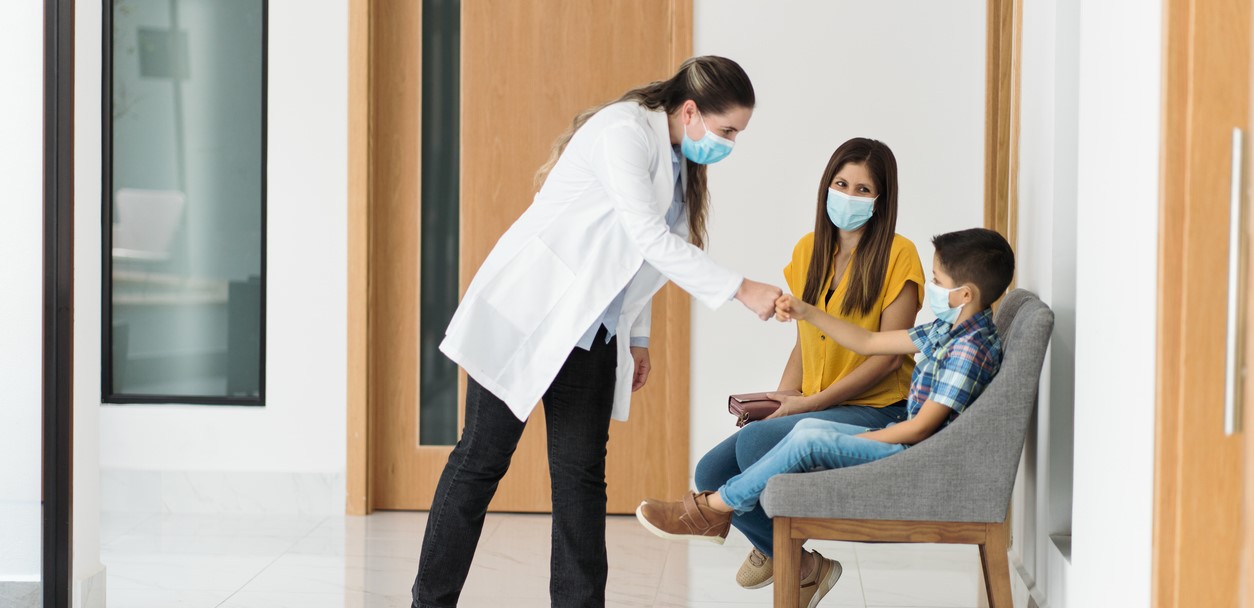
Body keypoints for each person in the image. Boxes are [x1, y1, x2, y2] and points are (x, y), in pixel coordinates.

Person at [411, 56, 783, 608]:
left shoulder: (680, 160)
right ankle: (429, 602)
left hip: (592, 335)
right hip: (530, 315)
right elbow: (648, 237)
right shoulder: (623, 132)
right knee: (479, 462)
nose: (730, 143)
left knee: (581, 480)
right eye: (728, 130)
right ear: (690, 111)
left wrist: (635, 339)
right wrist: (741, 288)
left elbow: (641, 261)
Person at [636, 227, 1015, 608]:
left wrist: (854, 441)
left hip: (914, 453)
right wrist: (808, 312)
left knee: (807, 438)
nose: (931, 286)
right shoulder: (947, 330)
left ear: (964, 294)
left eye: (936, 280)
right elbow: (867, 342)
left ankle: (713, 508)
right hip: (903, 439)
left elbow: (919, 429)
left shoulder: (969, 349)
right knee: (806, 432)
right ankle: (719, 514)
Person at [693, 138, 924, 593]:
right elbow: (806, 339)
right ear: (826, 187)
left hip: (881, 407)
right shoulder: (808, 250)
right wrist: (785, 394)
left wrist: (809, 404)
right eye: (841, 183)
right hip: (820, 401)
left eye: (863, 189)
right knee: (709, 473)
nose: (849, 196)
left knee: (755, 444)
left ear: (881, 200)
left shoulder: (900, 255)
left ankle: (780, 552)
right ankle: (800, 566)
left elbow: (888, 357)